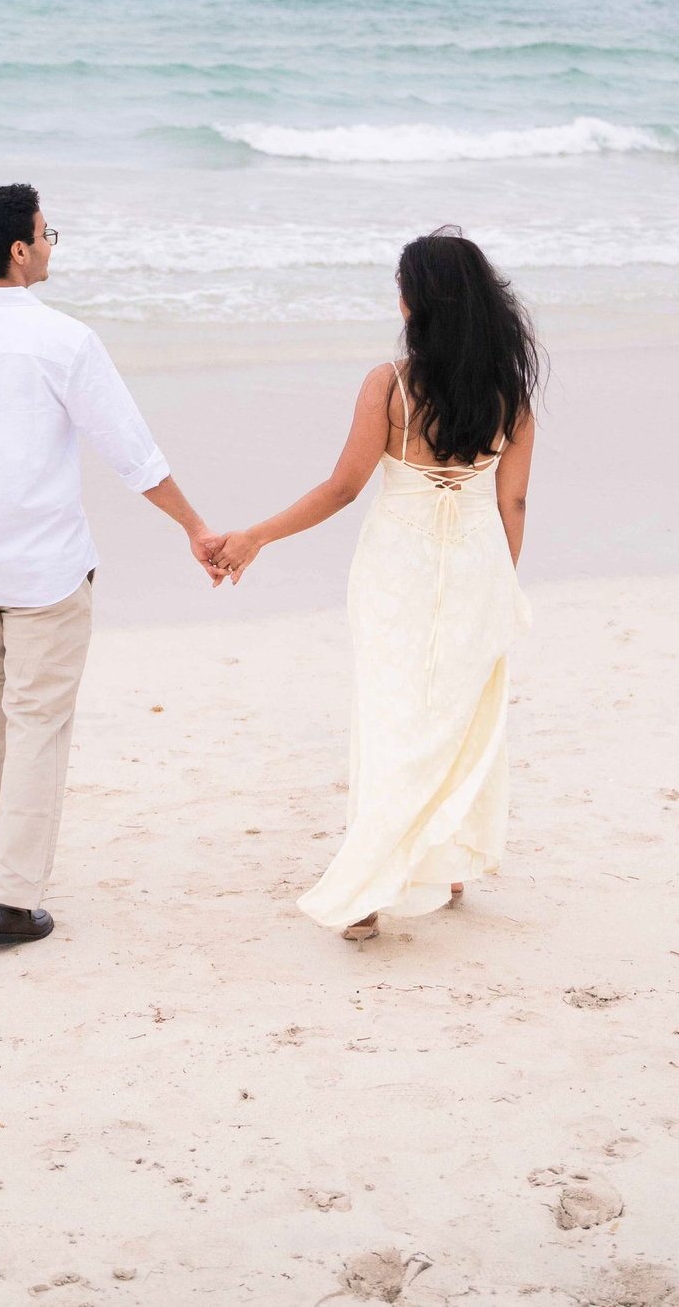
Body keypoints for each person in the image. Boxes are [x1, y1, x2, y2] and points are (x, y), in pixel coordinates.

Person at [0, 184, 222, 948]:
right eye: (46, 233)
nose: (50, 244)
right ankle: (8, 900)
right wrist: (195, 526)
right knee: (37, 723)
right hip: (46, 572)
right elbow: (132, 454)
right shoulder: (63, 340)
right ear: (19, 250)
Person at [207, 228, 539, 941]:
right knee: (459, 714)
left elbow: (342, 488)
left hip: (398, 566)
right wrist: (499, 583)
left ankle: (366, 895)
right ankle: (446, 864)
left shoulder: (389, 386)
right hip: (479, 563)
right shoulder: (510, 395)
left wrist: (255, 536)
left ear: (417, 303)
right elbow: (512, 502)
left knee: (390, 716)